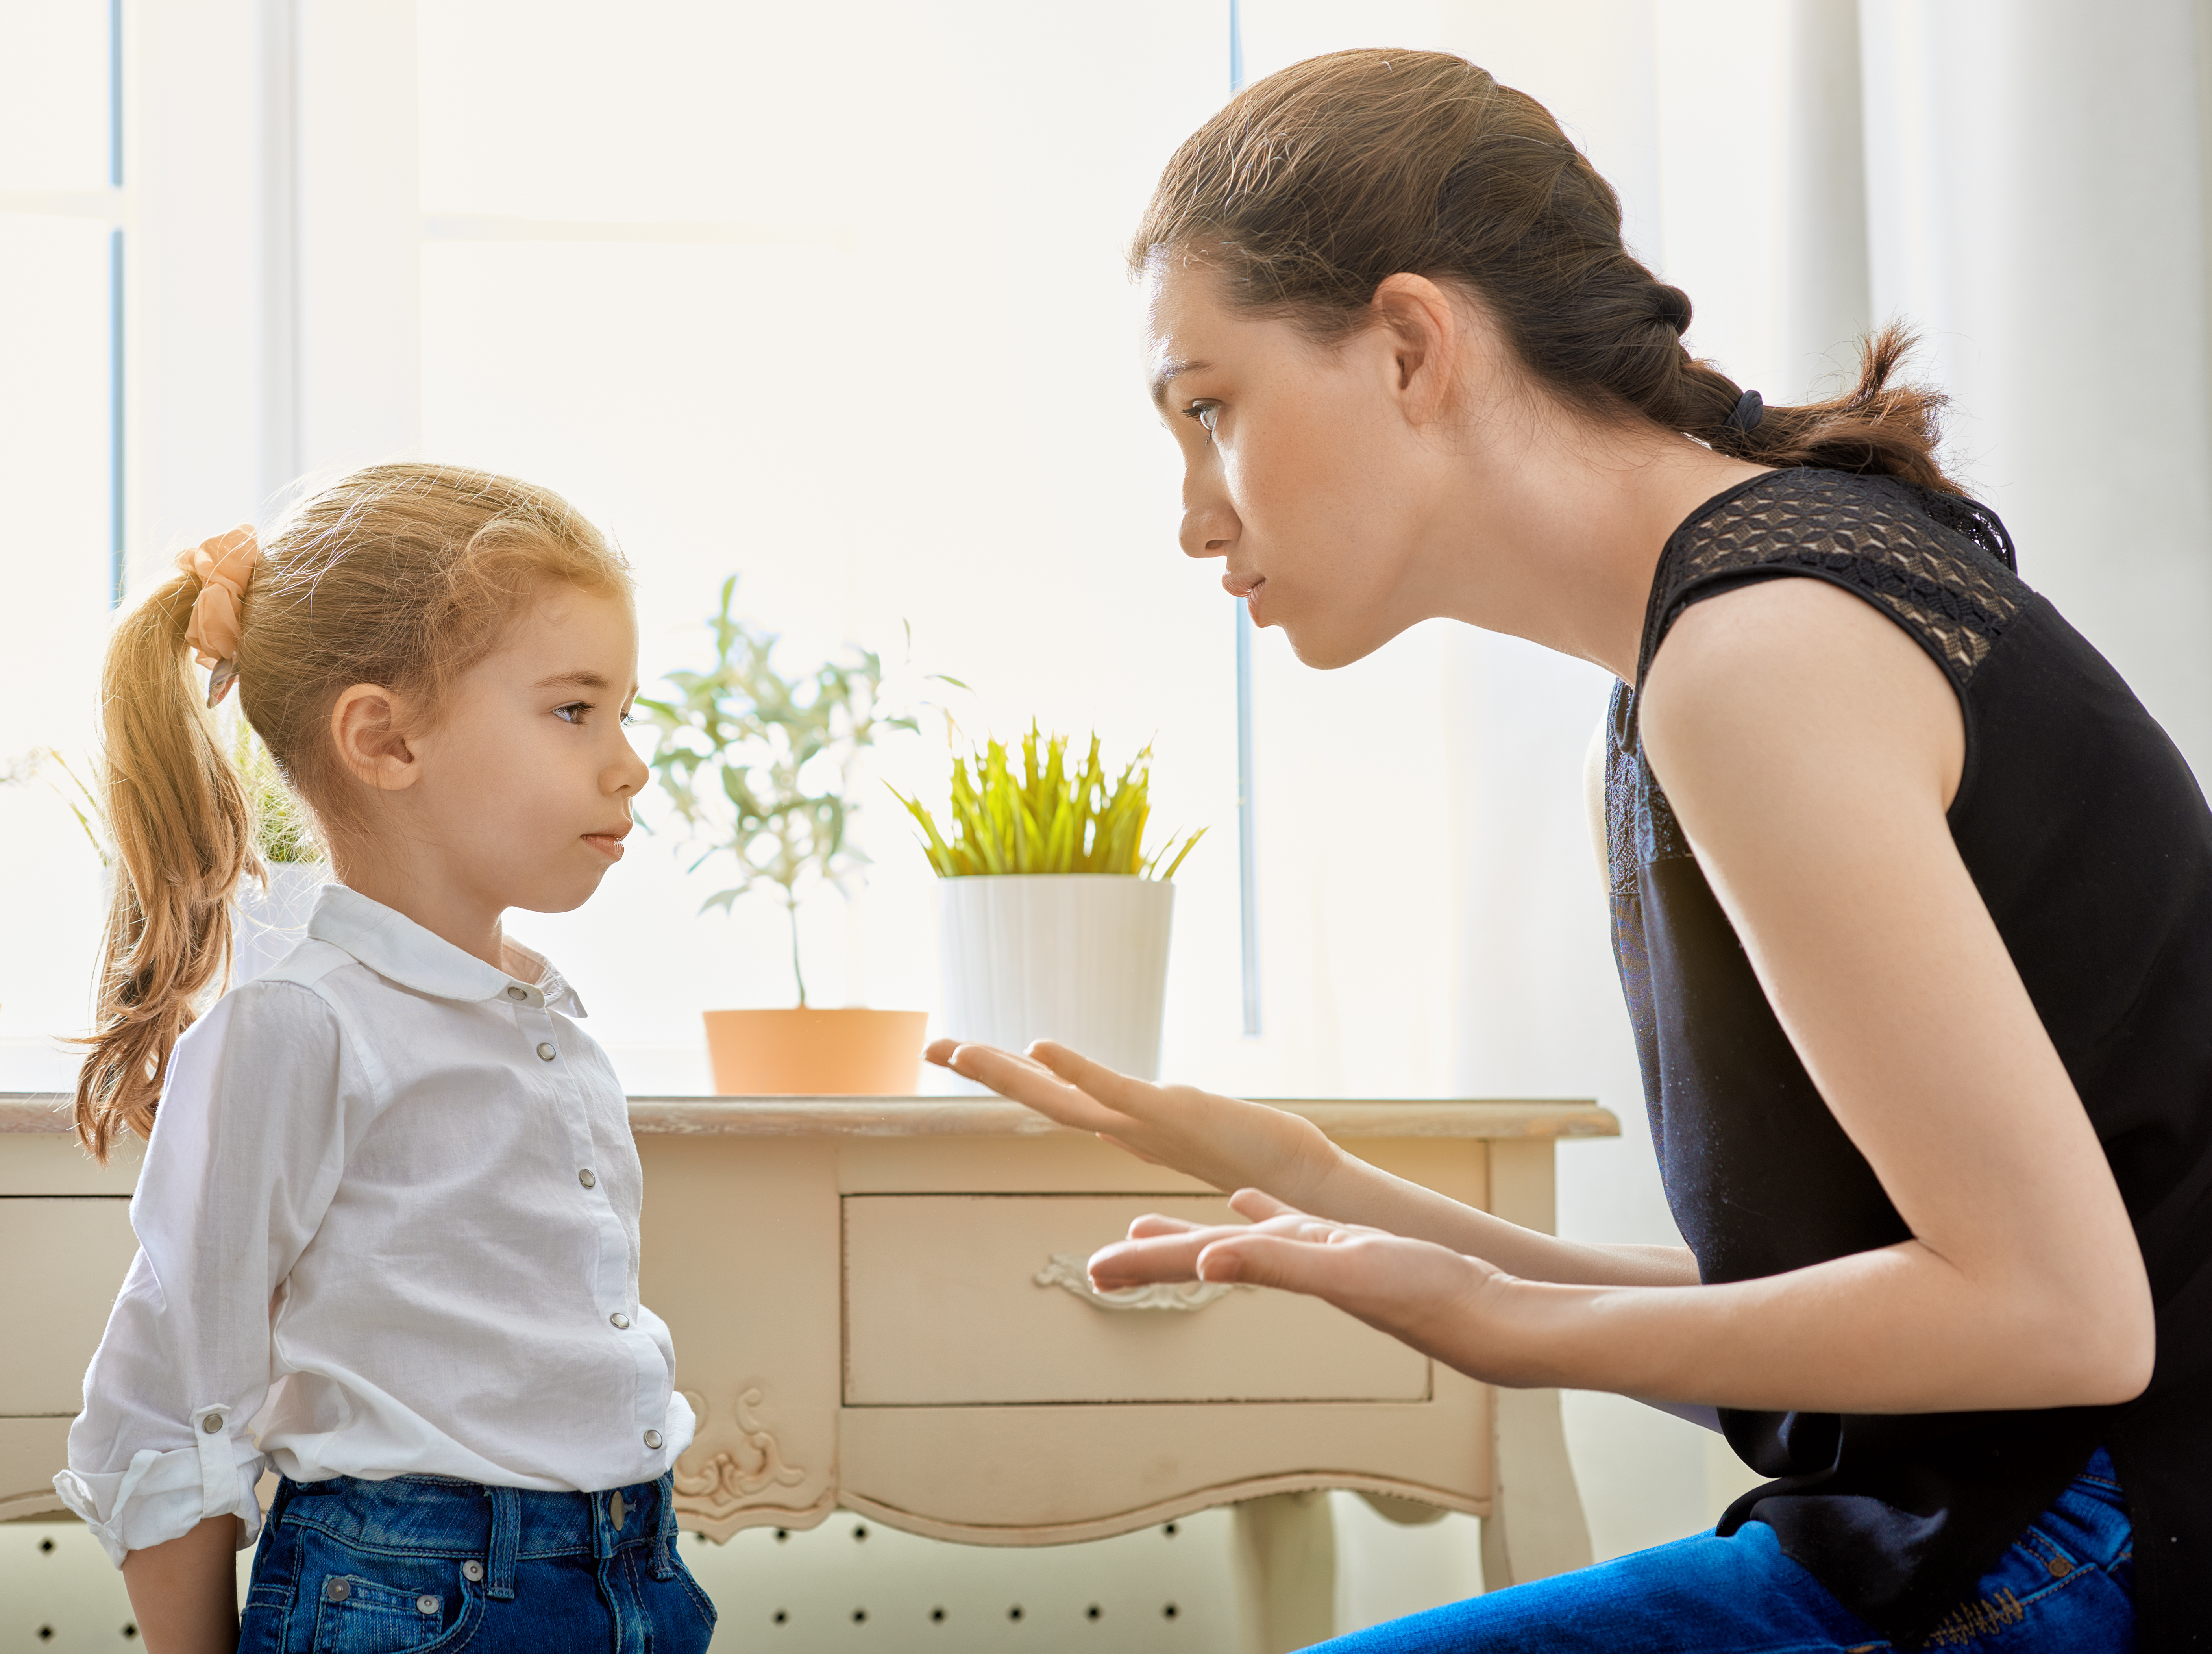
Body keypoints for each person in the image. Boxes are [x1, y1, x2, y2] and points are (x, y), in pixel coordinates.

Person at [930, 49, 2210, 1654]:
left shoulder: (1757, 654)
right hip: (2017, 1512)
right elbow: (1898, 1296)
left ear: (1407, 344)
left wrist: (1517, 1330)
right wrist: (1330, 1190)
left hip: (2085, 1537)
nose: (1193, 514)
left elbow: (2054, 1321)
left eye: (1210, 411)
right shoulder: (1719, 631)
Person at [54, 464, 714, 1654]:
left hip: (629, 1578)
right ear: (385, 737)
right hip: (422, 1601)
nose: (629, 764)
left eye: (625, 711)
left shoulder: (546, 1020)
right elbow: (164, 1400)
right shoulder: (298, 1025)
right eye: (576, 710)